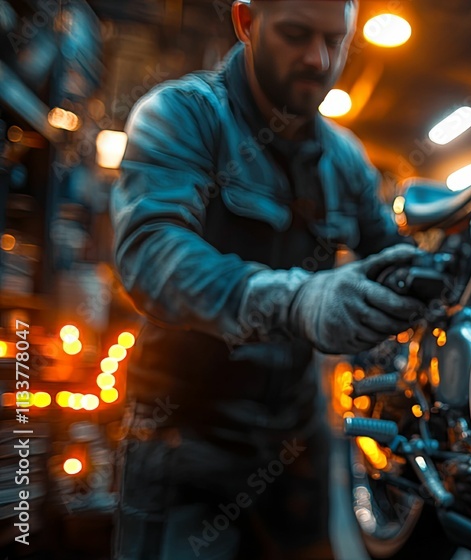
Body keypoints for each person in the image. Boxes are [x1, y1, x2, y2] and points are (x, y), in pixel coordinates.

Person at [108, 1, 426, 558]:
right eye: (297, 35)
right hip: (188, 442)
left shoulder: (345, 159)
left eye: (336, 41)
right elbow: (151, 255)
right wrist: (297, 301)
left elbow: (394, 255)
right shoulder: (183, 116)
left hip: (296, 444)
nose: (318, 59)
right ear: (247, 22)